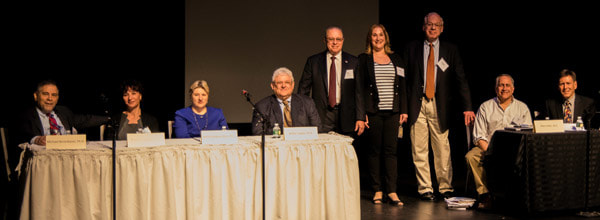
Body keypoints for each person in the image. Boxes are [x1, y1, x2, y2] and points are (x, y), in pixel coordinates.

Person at [404, 12, 475, 200]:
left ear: (442, 28)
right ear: (423, 27)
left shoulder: (450, 50)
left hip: (439, 105)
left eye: (437, 25)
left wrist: (467, 106)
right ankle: (425, 188)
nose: (433, 28)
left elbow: (461, 79)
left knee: (442, 148)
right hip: (416, 104)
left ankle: (445, 187)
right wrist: (403, 108)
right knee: (419, 149)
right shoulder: (412, 48)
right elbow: (404, 81)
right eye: (429, 24)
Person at [355, 24, 407, 206]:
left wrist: (404, 110)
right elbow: (359, 89)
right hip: (373, 112)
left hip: (393, 112)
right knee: (374, 151)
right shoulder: (363, 59)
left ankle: (392, 191)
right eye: (374, 35)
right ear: (370, 39)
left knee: (391, 152)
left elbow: (403, 88)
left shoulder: (396, 59)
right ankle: (377, 190)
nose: (378, 38)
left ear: (386, 37)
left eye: (380, 35)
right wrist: (361, 114)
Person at [465, 74, 532, 209]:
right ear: (496, 89)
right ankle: (485, 195)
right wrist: (492, 153)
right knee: (471, 156)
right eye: (501, 85)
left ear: (513, 89)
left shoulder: (522, 108)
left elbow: (528, 133)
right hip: (488, 148)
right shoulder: (485, 107)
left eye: (507, 85)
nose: (504, 88)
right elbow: (478, 136)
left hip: (515, 151)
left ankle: (520, 198)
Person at [297, 26, 361, 135]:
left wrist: (361, 117)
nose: (335, 42)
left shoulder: (353, 62)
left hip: (347, 115)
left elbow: (359, 92)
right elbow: (303, 90)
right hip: (321, 115)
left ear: (343, 40)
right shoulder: (313, 62)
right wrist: (303, 116)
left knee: (345, 150)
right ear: (325, 40)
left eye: (338, 39)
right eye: (331, 39)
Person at [15, 80, 110, 146]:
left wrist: (110, 119)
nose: (50, 98)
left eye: (54, 95)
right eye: (45, 94)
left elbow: (85, 119)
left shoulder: (63, 112)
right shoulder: (26, 115)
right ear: (36, 96)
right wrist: (36, 140)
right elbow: (20, 135)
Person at [252, 67, 321, 135]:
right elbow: (258, 134)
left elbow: (317, 130)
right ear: (272, 86)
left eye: (287, 82)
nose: (283, 85)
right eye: (279, 83)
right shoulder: (261, 107)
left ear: (292, 85)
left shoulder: (307, 103)